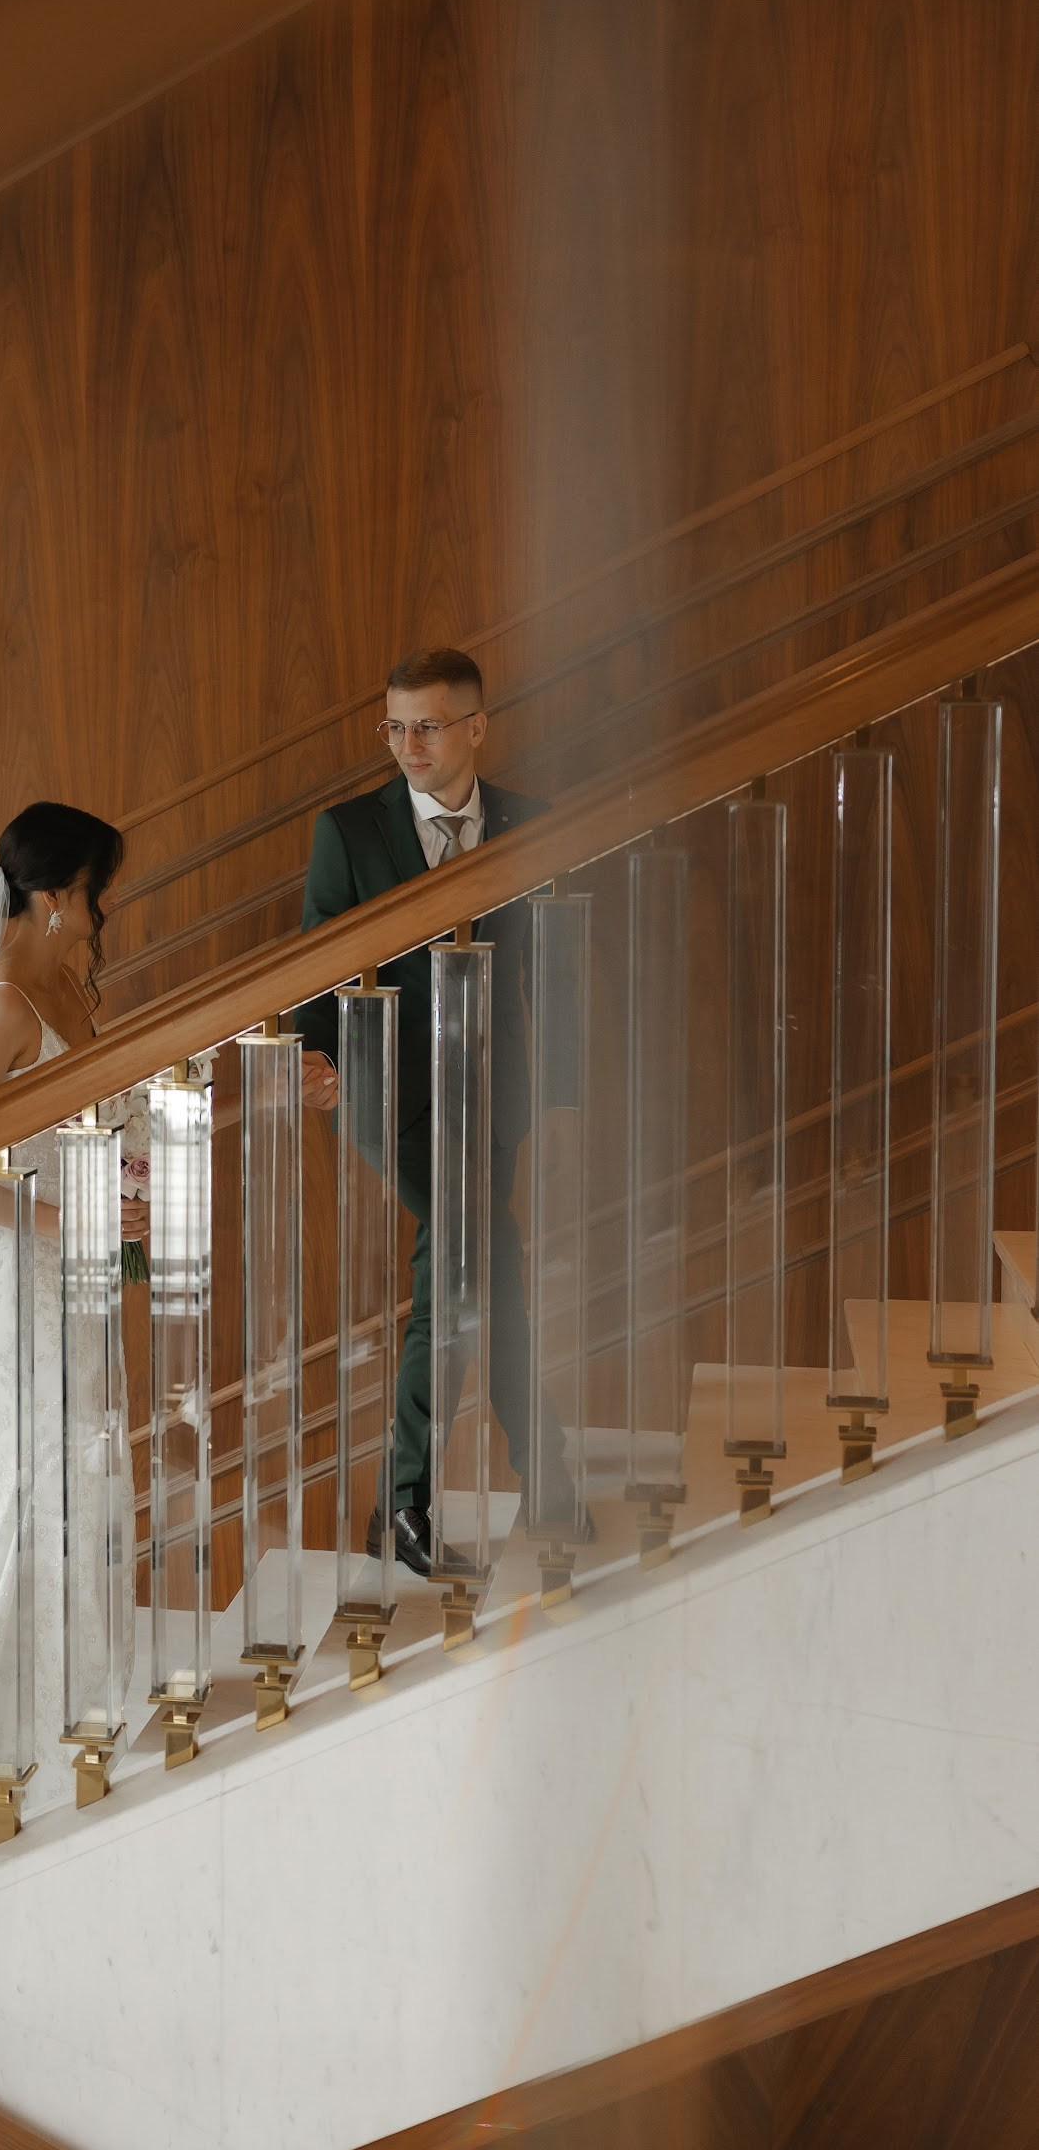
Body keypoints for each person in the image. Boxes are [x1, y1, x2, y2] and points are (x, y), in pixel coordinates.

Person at [292, 647, 586, 1575]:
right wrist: (315, 1054)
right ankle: (508, 1477)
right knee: (470, 1257)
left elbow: (556, 974)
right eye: (394, 726)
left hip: (494, 1099)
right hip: (388, 1092)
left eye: (426, 725)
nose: (407, 745)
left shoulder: (532, 824)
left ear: (475, 726)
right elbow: (316, 959)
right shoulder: (349, 831)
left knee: (471, 1272)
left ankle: (414, 1502)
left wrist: (562, 1098)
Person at [0, 801, 148, 1824]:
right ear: (52, 896)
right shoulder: (6, 1002)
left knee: (79, 1471)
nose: (102, 911)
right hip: (16, 1270)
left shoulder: (63, 986)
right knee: (29, 1479)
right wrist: (67, 1217)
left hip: (69, 1265)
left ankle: (71, 1705)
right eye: (94, 891)